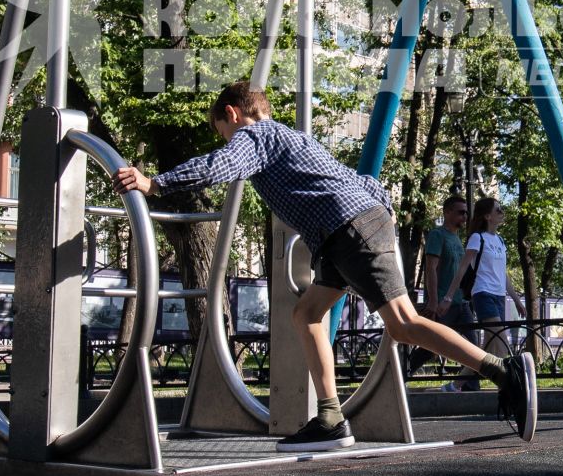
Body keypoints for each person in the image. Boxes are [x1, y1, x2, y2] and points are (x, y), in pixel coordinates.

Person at [113, 81, 537, 450]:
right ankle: (331, 417)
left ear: (233, 114)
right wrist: (380, 214)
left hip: (350, 231)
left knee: (403, 323)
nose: (227, 141)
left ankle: (504, 370)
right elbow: (363, 183)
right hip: (343, 234)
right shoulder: (297, 139)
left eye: (223, 132)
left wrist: (156, 183)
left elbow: (219, 166)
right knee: (307, 313)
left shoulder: (255, 136)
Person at [422, 195, 480, 390]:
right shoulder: (437, 235)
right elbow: (430, 268)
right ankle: (402, 375)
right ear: (447, 212)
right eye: (460, 212)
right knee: (430, 347)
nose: (465, 216)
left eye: (466, 213)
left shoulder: (456, 238)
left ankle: (472, 388)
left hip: (460, 303)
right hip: (442, 304)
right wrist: (433, 300)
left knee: (473, 346)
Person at [465, 198, 516, 362]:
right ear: (487, 216)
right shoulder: (477, 238)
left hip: (500, 296)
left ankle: (456, 384)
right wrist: (448, 296)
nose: (502, 213)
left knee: (489, 348)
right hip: (483, 293)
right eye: (498, 210)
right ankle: (510, 380)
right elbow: (462, 267)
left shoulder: (500, 241)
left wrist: (517, 301)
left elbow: (504, 275)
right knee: (500, 339)